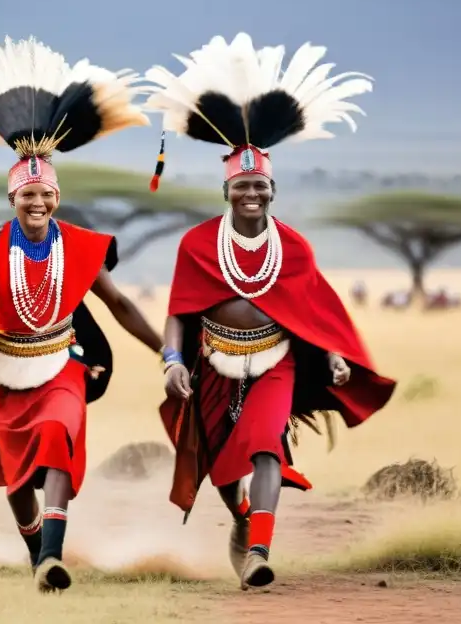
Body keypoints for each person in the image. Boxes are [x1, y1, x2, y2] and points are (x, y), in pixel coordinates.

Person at [143, 33, 397, 590]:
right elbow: (180, 312)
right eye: (242, 186)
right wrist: (171, 361)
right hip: (212, 365)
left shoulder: (296, 247)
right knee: (223, 471)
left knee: (264, 447)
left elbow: (318, 312)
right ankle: (241, 519)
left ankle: (259, 549)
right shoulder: (197, 245)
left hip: (275, 361)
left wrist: (332, 357)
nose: (251, 194)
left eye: (260, 185)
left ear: (273, 190)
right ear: (227, 190)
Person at [0, 36, 170, 593]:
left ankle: (50, 560)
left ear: (56, 198)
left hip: (59, 363)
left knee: (60, 431)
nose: (36, 205)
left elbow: (121, 304)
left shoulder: (78, 246)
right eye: (26, 197)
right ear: (13, 200)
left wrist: (168, 351)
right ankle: (19, 546)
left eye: (45, 197)